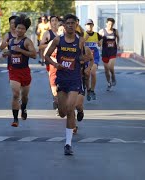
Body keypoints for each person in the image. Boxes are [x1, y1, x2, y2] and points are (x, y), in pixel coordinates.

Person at [44, 14, 85, 155]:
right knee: (62, 113)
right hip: (61, 80)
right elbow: (46, 56)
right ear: (64, 25)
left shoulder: (80, 41)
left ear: (76, 25)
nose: (70, 25)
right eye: (68, 23)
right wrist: (56, 64)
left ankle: (68, 144)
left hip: (74, 80)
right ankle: (68, 113)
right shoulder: (58, 40)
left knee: (70, 108)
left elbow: (84, 56)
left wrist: (85, 62)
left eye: (73, 23)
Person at [2, 15, 37, 127]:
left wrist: (21, 50)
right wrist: (6, 54)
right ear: (15, 28)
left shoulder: (27, 42)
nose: (20, 30)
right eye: (18, 28)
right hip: (13, 71)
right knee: (16, 94)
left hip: (24, 71)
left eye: (22, 28)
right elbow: (12, 52)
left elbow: (34, 55)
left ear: (25, 30)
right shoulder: (11, 41)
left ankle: (24, 108)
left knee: (24, 96)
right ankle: (15, 119)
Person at [39, 15, 60, 114]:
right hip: (51, 60)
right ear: (50, 23)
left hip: (62, 60)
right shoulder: (48, 33)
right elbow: (41, 46)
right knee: (53, 82)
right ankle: (55, 99)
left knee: (62, 82)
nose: (54, 22)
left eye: (56, 20)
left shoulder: (62, 33)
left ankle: (58, 99)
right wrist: (51, 43)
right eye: (52, 20)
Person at [98, 18, 121, 91]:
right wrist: (100, 43)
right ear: (106, 23)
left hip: (113, 51)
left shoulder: (115, 31)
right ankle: (109, 82)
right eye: (109, 24)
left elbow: (118, 37)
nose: (110, 26)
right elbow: (98, 40)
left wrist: (118, 43)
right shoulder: (102, 31)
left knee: (111, 67)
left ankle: (113, 76)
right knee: (106, 70)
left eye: (112, 24)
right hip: (105, 52)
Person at [83, 19, 102, 100]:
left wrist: (99, 42)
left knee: (93, 73)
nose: (89, 26)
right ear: (85, 26)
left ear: (93, 25)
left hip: (95, 57)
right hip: (86, 57)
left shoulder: (97, 35)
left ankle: (92, 90)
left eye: (91, 24)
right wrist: (84, 40)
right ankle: (88, 89)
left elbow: (100, 44)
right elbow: (79, 45)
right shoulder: (82, 35)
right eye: (88, 24)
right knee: (87, 75)